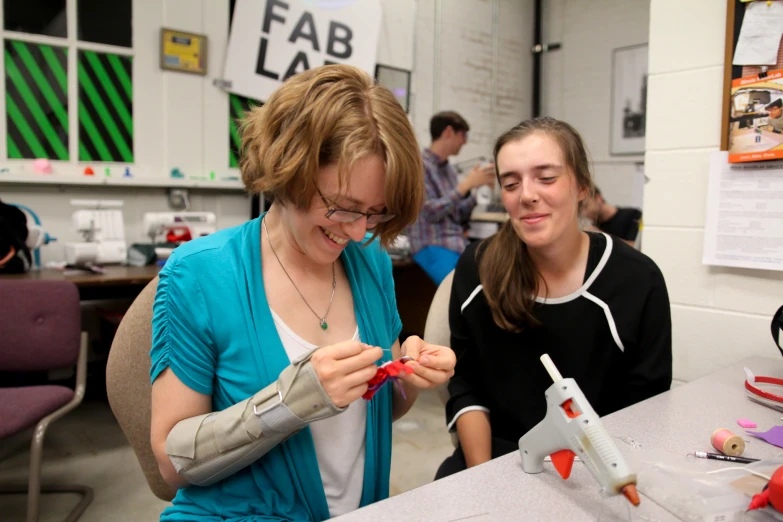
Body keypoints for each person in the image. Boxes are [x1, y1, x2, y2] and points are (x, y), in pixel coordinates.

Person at [149, 64, 456, 522]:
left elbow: (377, 413)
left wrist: (407, 379)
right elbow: (171, 464)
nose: (356, 232)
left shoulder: (370, 261)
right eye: (342, 208)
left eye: (374, 213)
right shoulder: (199, 275)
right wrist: (288, 403)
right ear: (288, 167)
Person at [436, 117, 672, 479]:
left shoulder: (638, 280)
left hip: (597, 471)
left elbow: (646, 412)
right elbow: (467, 387)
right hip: (495, 463)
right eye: (511, 183)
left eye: (546, 178)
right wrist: (481, 479)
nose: (527, 194)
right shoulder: (478, 267)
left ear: (582, 186)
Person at [405, 111, 495, 285]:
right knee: (468, 289)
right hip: (431, 245)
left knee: (491, 277)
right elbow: (430, 212)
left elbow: (459, 214)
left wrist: (477, 192)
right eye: (463, 135)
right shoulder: (419, 166)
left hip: (455, 243)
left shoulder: (450, 170)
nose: (465, 141)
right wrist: (465, 186)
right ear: (448, 132)